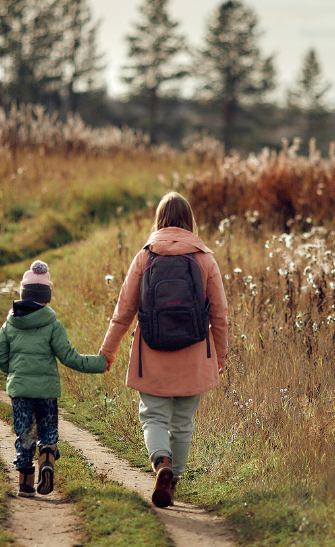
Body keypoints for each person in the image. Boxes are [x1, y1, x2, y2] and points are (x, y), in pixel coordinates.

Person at [98, 191, 229, 508]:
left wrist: (108, 352)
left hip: (151, 353)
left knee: (154, 418)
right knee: (183, 422)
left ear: (159, 220)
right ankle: (173, 481)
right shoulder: (204, 258)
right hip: (195, 352)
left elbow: (124, 311)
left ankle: (162, 464)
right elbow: (220, 316)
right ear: (190, 221)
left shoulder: (145, 257)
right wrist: (220, 358)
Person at [0, 259, 106, 497]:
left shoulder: (10, 324)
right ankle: (46, 459)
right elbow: (69, 357)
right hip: (46, 393)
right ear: (47, 297)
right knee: (48, 431)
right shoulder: (53, 324)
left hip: (21, 392)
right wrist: (101, 362)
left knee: (24, 434)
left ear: (23, 294)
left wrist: (13, 373)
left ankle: (25, 483)